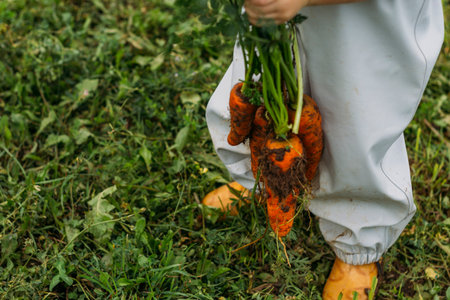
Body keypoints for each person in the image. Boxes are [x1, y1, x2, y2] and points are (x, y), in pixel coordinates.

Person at [203, 0, 444, 298]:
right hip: (271, 15)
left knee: (353, 120)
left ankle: (359, 239)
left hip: (364, 21)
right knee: (260, 83)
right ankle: (259, 182)